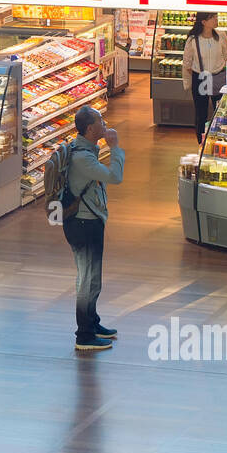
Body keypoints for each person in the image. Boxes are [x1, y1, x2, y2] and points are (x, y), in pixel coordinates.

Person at [64, 105, 124, 355]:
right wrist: (116, 147)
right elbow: (115, 176)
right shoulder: (83, 158)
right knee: (87, 281)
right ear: (90, 129)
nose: (104, 123)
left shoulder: (85, 149)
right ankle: (84, 335)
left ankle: (92, 322)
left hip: (89, 219)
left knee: (92, 278)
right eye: (100, 121)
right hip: (83, 223)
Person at [182, 11, 227, 145]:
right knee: (201, 112)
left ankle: (219, 141)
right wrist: (197, 75)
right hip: (201, 77)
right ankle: (201, 143)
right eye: (213, 18)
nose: (216, 19)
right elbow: (187, 62)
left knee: (220, 111)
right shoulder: (193, 39)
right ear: (203, 22)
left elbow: (225, 55)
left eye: (216, 17)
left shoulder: (221, 35)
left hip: (218, 76)